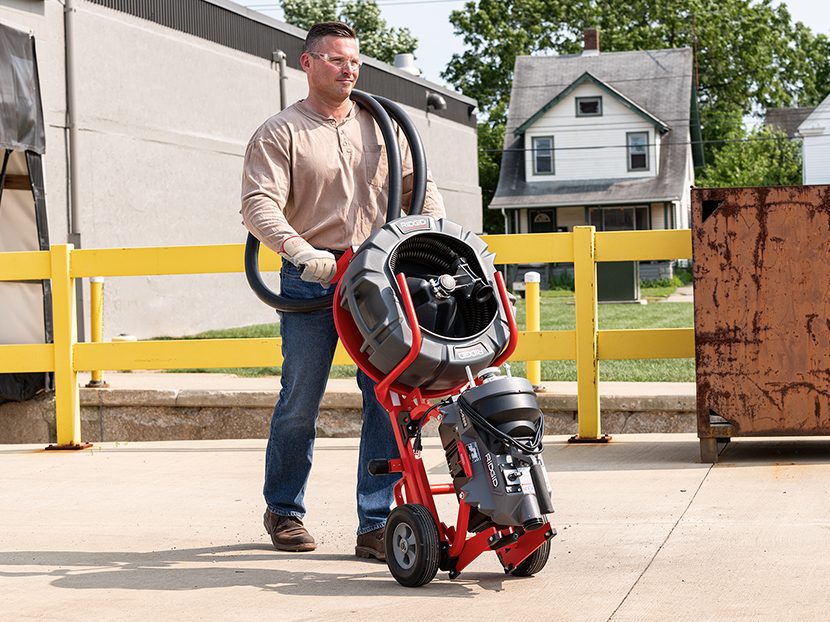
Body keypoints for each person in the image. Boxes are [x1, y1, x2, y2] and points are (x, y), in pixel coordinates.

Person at [240, 21, 445, 561]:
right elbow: (258, 203)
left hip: (379, 277)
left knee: (387, 398)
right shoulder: (280, 133)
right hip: (313, 276)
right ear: (307, 63)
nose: (348, 69)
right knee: (300, 398)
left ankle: (376, 522)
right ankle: (284, 511)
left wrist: (429, 235)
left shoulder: (383, 126)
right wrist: (298, 249)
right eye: (335, 59)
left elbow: (419, 187)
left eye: (354, 61)